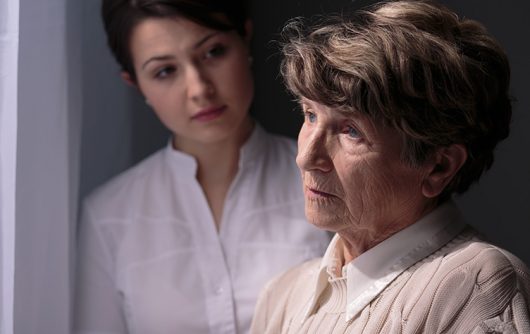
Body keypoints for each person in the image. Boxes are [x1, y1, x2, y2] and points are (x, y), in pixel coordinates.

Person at [250, 1, 530, 333]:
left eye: (351, 131)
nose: (307, 157)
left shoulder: (480, 285)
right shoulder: (281, 296)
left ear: (439, 166)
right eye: (310, 115)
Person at [73, 0, 331, 333]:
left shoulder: (328, 178)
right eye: (165, 71)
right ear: (137, 85)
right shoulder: (108, 217)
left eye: (213, 52)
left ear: (245, 39)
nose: (199, 88)